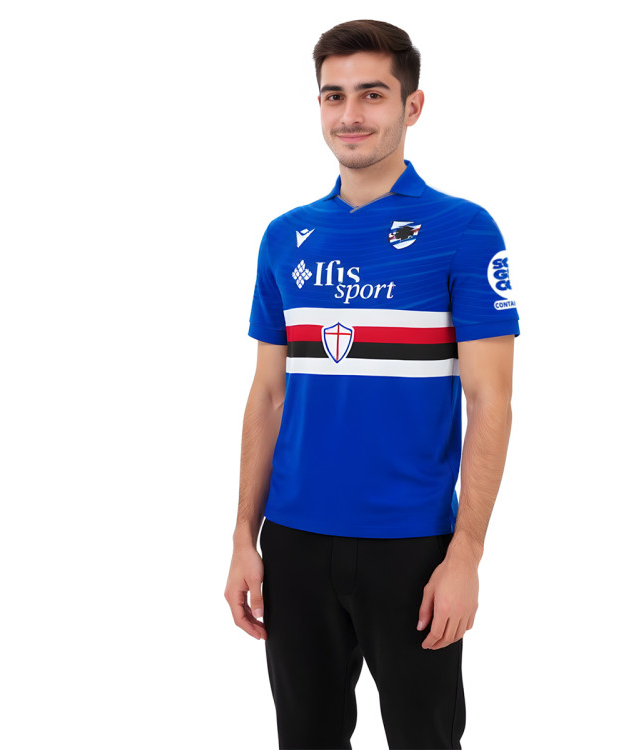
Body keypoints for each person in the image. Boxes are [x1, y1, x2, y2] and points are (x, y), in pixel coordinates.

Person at [225, 19, 519, 750]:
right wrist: (242, 538)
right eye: (334, 95)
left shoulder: (463, 230)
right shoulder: (285, 236)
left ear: (411, 106)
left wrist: (466, 555)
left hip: (411, 548)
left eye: (372, 94)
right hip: (293, 542)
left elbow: (491, 402)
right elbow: (267, 397)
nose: (350, 114)